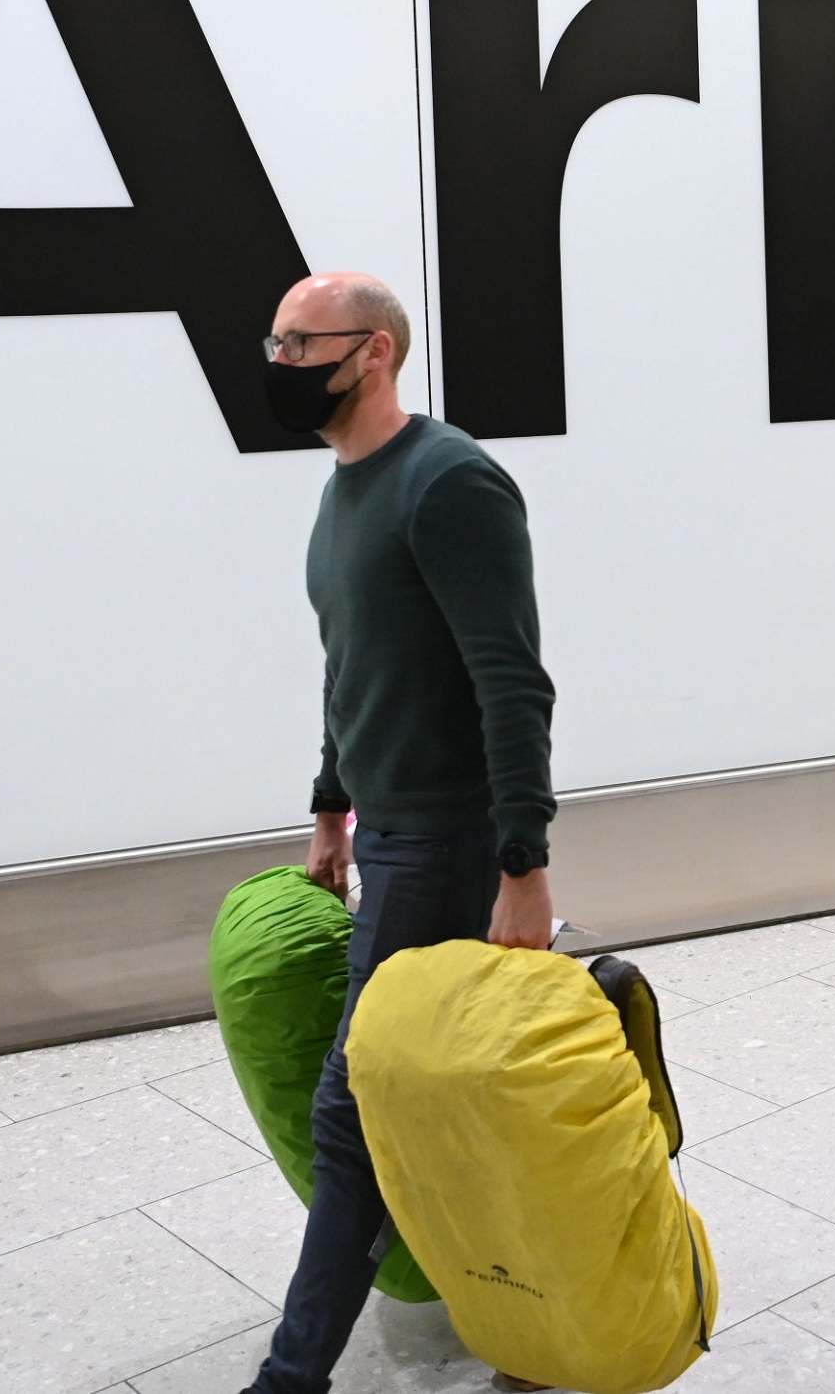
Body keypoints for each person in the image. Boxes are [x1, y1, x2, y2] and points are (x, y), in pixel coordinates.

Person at [246, 272, 558, 1394]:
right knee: (447, 1092)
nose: (277, 362)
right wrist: (332, 799)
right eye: (273, 341)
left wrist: (522, 860)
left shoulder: (449, 481)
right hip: (388, 831)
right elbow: (354, 665)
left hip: (450, 840)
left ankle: (292, 1377)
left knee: (352, 1103)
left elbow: (510, 681)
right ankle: (538, 1308)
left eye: (297, 342)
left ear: (371, 351)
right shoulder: (344, 486)